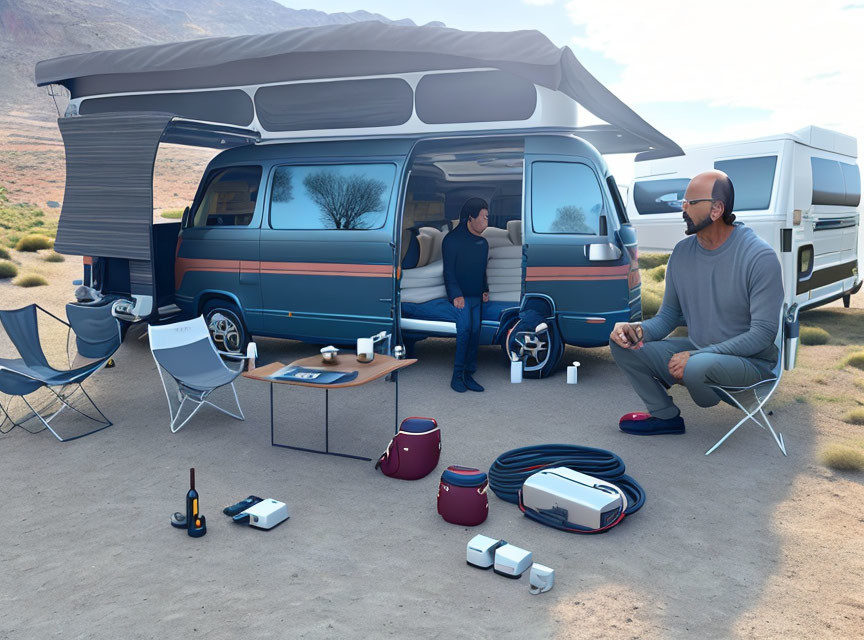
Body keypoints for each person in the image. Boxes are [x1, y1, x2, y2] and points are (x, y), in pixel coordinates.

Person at [609, 170, 783, 435]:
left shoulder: (759, 257)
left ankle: (695, 366)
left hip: (750, 363)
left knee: (697, 365)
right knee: (620, 340)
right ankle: (665, 417)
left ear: (716, 209)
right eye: (683, 202)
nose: (683, 208)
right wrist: (637, 330)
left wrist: (696, 356)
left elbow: (762, 334)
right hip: (698, 352)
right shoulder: (682, 253)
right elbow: (668, 317)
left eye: (691, 202)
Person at [442, 198, 490, 392]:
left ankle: (469, 375)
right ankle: (456, 377)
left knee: (476, 332)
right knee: (464, 331)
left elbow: (482, 270)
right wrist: (455, 295)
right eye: (484, 217)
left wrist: (485, 289)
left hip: (475, 297)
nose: (487, 222)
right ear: (471, 218)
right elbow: (449, 272)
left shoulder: (483, 243)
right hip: (460, 297)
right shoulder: (452, 240)